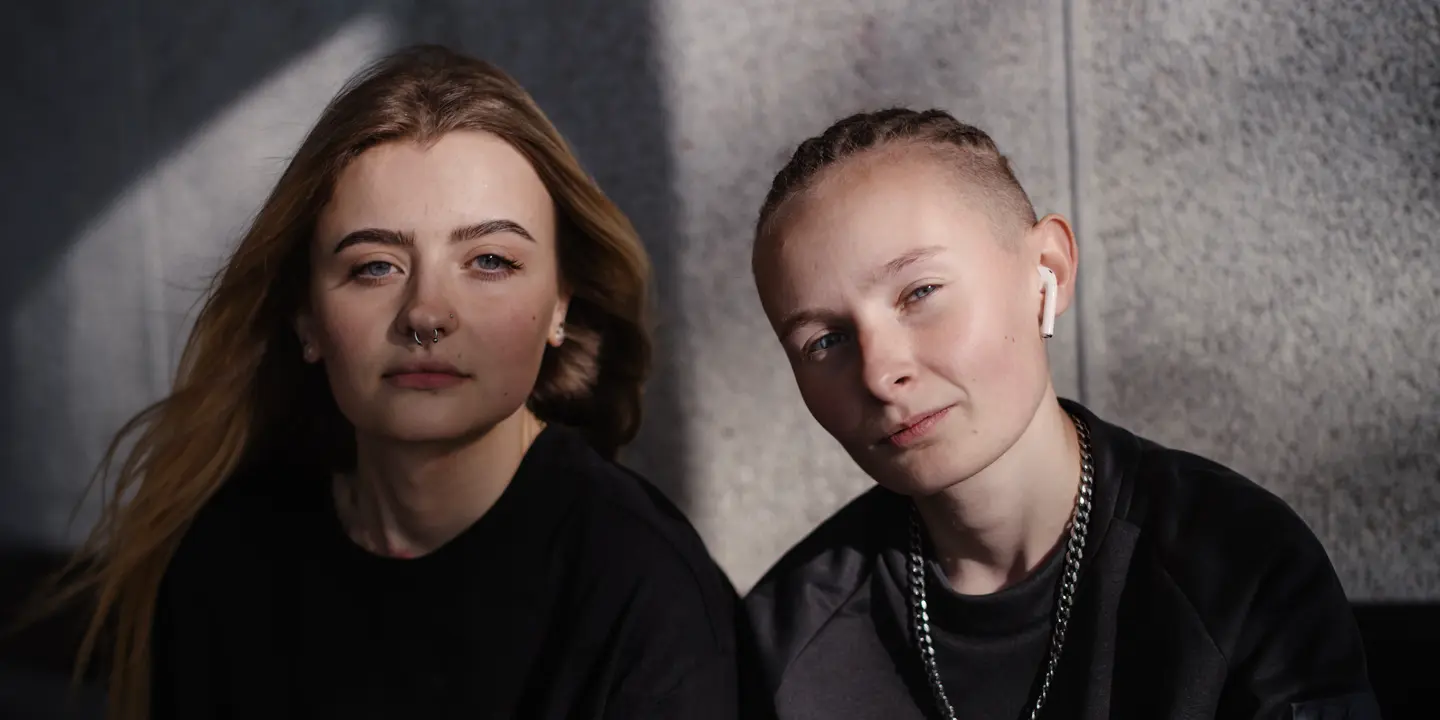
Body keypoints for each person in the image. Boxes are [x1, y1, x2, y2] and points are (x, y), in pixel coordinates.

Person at [41, 45, 742, 720]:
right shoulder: (229, 561)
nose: (427, 313)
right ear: (307, 319)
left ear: (561, 303)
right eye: (374, 266)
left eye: (491, 261)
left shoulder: (641, 585)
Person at [742, 108, 1379, 719]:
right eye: (823, 342)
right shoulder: (786, 640)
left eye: (921, 293)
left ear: (1048, 269)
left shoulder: (1236, 566)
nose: (881, 374)